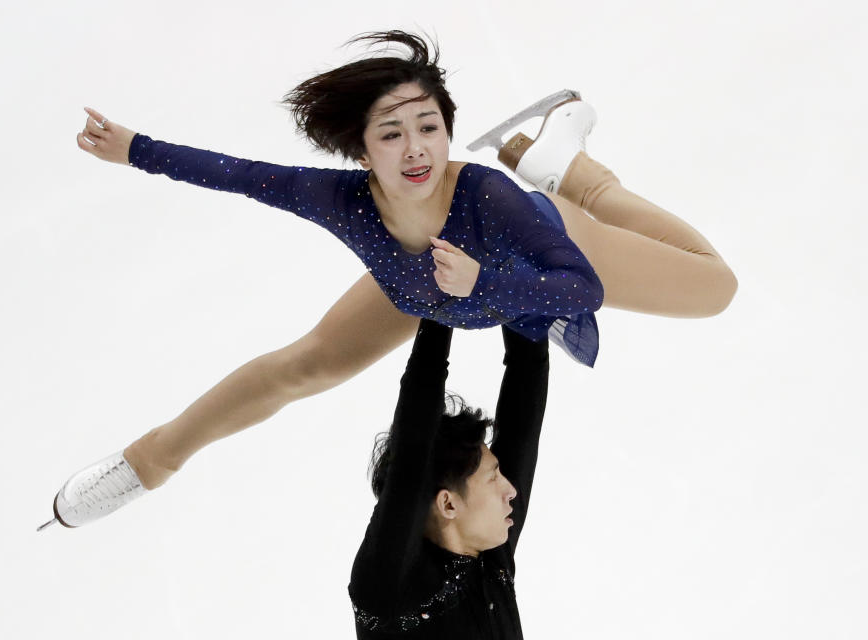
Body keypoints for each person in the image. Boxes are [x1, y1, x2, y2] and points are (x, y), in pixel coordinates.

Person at [37, 31, 736, 531]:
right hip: (427, 281)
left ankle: (568, 169)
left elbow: (577, 289)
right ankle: (147, 462)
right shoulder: (344, 201)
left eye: (429, 127)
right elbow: (242, 176)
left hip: (541, 247)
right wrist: (135, 150)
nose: (416, 149)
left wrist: (484, 286)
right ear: (362, 150)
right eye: (392, 133)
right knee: (308, 363)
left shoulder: (490, 198)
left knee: (715, 288)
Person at [350, 318, 547, 638]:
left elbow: (525, 392)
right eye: (493, 478)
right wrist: (440, 310)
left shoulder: (486, 552)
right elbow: (412, 449)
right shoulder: (390, 587)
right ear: (448, 503)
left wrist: (519, 289)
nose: (511, 489)